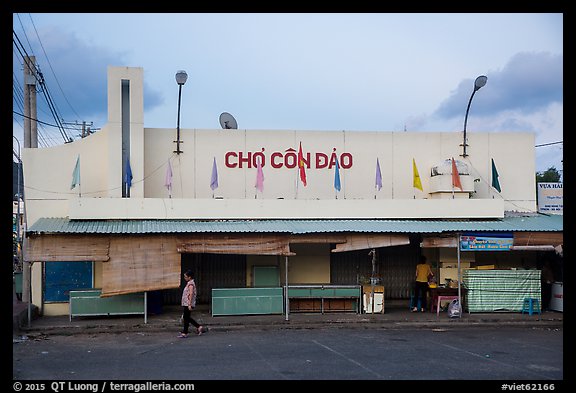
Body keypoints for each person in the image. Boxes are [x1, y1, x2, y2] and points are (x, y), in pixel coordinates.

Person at [178, 270, 203, 338]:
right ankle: (198, 327)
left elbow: (191, 294)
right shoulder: (189, 283)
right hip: (187, 303)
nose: (184, 278)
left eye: (186, 277)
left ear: (190, 277)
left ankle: (185, 332)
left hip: (188, 304)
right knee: (187, 317)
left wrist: (189, 304)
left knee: (186, 318)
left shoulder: (191, 284)